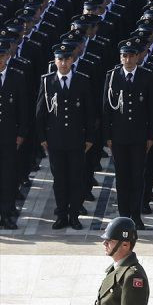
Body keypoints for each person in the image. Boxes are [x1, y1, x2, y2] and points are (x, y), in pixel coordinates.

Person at [36, 43, 95, 230]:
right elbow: (40, 112)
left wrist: (90, 138)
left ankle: (74, 216)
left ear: (72, 60)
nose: (63, 63)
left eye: (66, 59)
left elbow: (89, 113)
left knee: (76, 179)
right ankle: (61, 215)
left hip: (77, 140)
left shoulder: (82, 80)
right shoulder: (47, 81)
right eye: (59, 59)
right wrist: (42, 138)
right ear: (55, 61)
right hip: (56, 140)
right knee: (59, 180)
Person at [102, 40, 153, 230]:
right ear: (120, 57)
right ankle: (123, 216)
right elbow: (106, 109)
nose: (128, 59)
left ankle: (136, 215)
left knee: (137, 177)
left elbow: (152, 108)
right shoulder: (112, 77)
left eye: (131, 56)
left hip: (139, 137)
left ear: (137, 57)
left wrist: (150, 136)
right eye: (124, 56)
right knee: (122, 178)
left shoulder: (147, 76)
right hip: (118, 137)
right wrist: (108, 136)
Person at [0, 43, 27, 230]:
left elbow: (23, 110)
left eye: (2, 56)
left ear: (8, 57)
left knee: (8, 178)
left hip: (9, 137)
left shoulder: (16, 77)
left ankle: (6, 213)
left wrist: (21, 134)